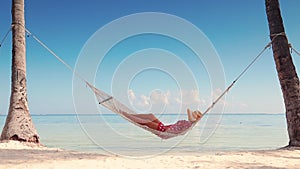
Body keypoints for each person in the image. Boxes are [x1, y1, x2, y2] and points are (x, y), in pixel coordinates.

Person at [122, 109, 203, 134]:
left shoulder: (189, 125)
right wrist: (195, 114)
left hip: (164, 130)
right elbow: (189, 110)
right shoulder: (188, 123)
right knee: (150, 115)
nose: (194, 115)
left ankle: (128, 116)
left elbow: (190, 115)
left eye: (196, 115)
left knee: (147, 122)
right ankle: (131, 115)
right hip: (164, 127)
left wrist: (195, 118)